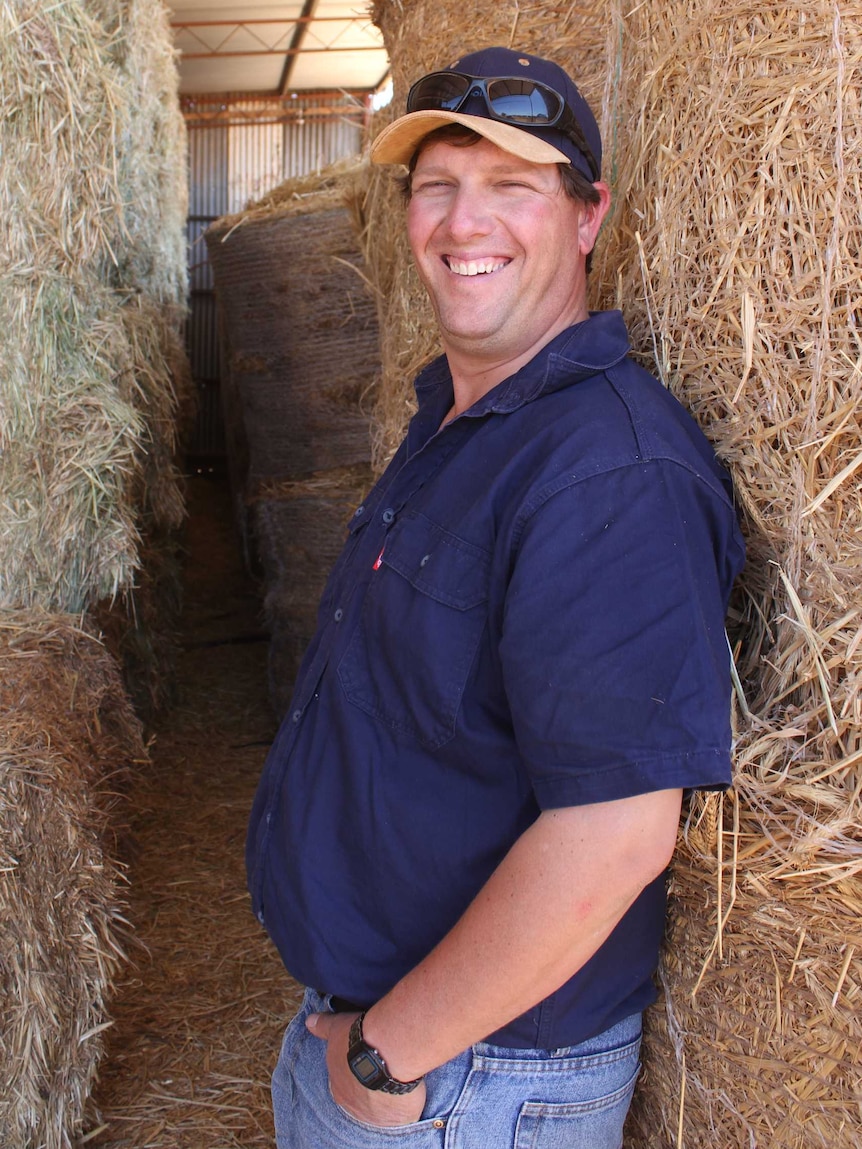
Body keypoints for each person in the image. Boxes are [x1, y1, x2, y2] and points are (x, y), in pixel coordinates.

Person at [246, 46, 745, 1149]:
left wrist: (387, 1055)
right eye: (438, 187)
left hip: (467, 1086)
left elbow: (615, 836)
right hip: (404, 1053)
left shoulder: (605, 473)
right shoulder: (465, 423)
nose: (464, 223)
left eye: (512, 186)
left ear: (585, 217)